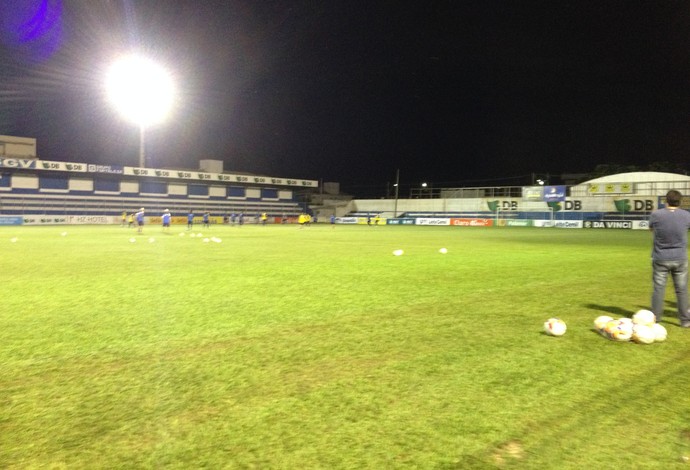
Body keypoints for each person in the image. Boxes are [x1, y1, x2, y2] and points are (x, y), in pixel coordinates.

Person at [649, 189, 690, 327]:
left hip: (660, 257)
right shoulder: (686, 215)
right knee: (682, 289)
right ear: (680, 201)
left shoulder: (656, 214)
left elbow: (651, 229)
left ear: (666, 200)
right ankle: (685, 321)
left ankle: (656, 319)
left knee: (659, 289)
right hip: (680, 257)